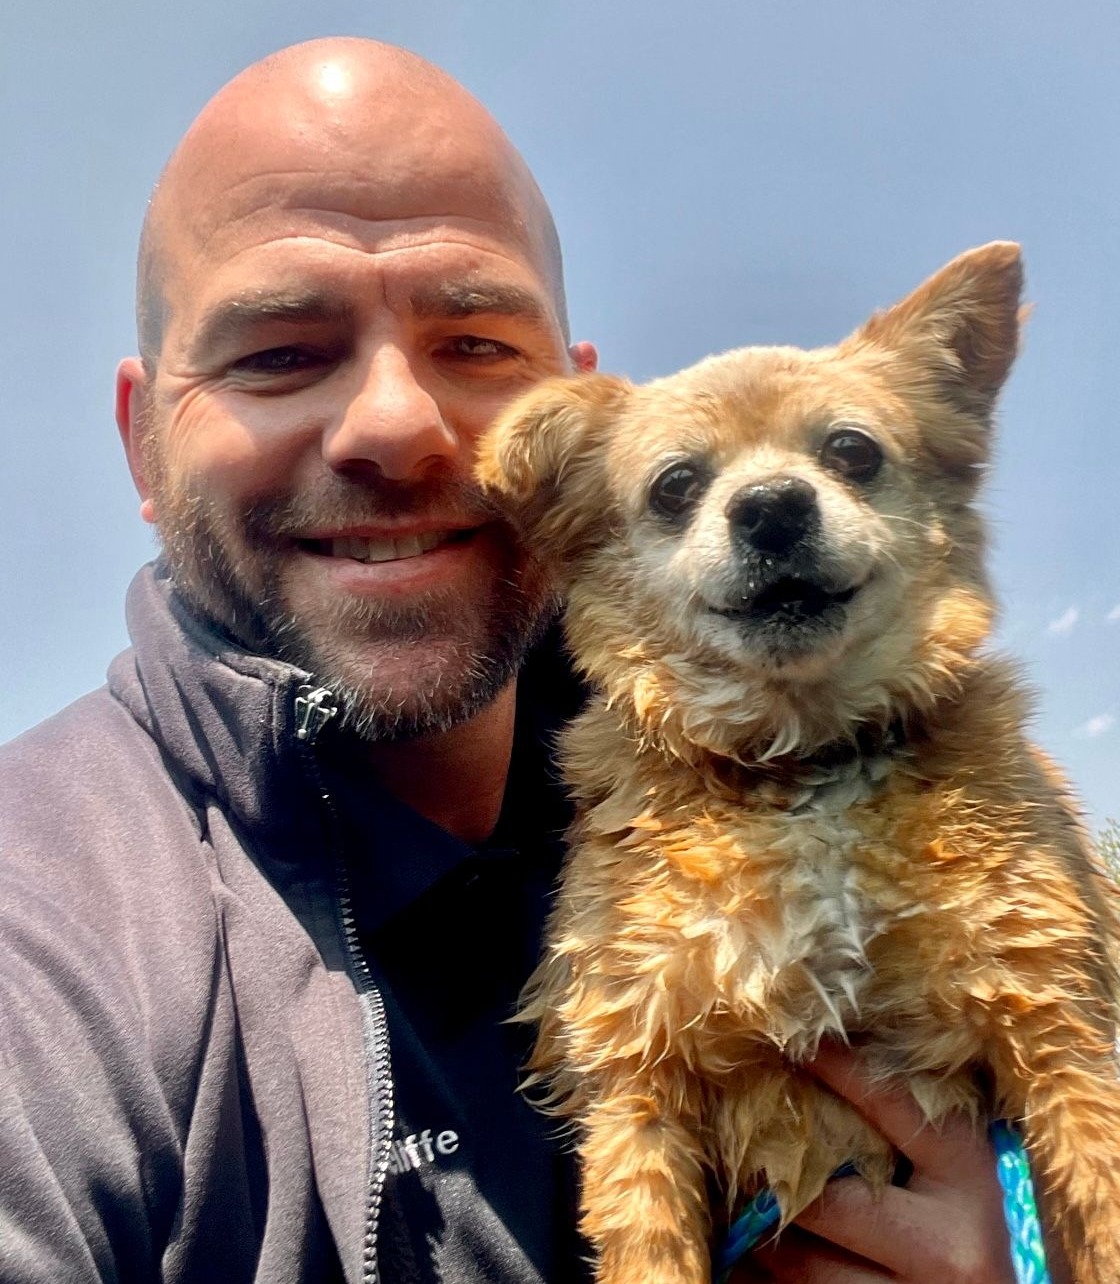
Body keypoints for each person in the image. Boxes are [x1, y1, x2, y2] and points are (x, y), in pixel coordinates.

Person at [0, 37, 1028, 1284]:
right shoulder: (44, 934)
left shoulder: (804, 762)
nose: (395, 424)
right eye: (277, 352)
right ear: (143, 444)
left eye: (479, 343)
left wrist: (1033, 1253)